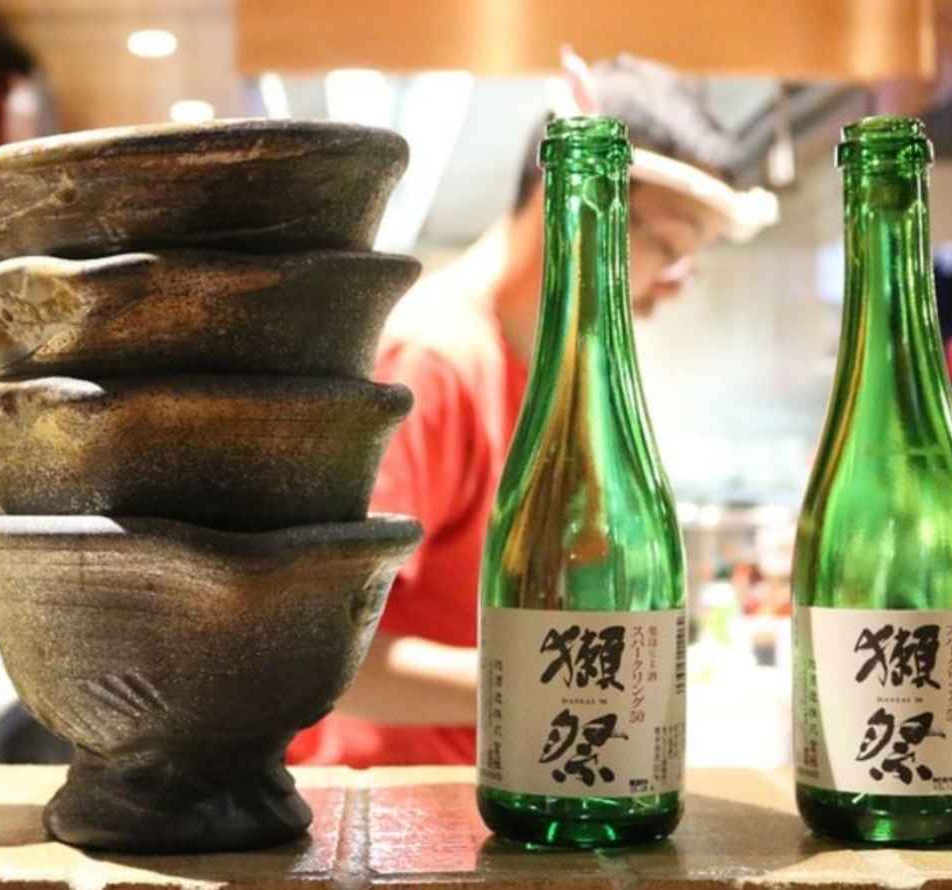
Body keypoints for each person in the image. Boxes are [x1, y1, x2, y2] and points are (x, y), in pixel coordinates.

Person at [288, 53, 777, 767]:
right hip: (394, 823)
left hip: (489, 804)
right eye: (668, 246)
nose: (673, 286)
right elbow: (327, 658)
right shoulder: (433, 362)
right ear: (573, 199)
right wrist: (584, 681)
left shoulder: (545, 382)